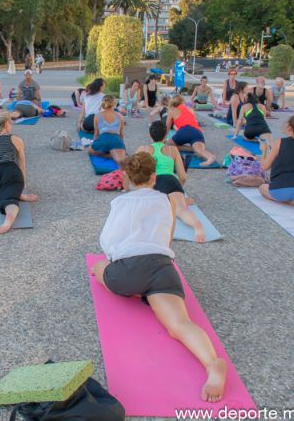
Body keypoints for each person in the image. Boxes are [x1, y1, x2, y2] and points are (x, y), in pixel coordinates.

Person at [92, 151, 227, 402]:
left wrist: (112, 261)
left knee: (99, 267)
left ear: (127, 178)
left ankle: (124, 283)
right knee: (179, 325)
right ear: (154, 177)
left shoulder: (120, 202)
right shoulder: (168, 201)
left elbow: (108, 241)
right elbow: (168, 237)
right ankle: (211, 363)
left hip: (128, 271)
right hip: (162, 267)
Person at [136, 121, 206, 242]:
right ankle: (196, 224)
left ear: (150, 135)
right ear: (166, 135)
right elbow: (183, 176)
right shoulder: (172, 150)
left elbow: (133, 170)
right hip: (170, 181)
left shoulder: (143, 148)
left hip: (152, 182)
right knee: (180, 209)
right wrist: (180, 192)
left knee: (150, 209)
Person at [167, 95, 216, 167]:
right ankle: (210, 157)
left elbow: (167, 127)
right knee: (200, 151)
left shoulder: (171, 111)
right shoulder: (190, 109)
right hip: (197, 131)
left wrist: (162, 141)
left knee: (169, 144)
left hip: (184, 131)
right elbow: (194, 121)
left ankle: (191, 149)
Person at [89, 95, 126, 165]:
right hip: (116, 140)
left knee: (90, 150)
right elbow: (121, 134)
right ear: (114, 104)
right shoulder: (120, 116)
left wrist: (94, 143)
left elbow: (96, 134)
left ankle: (107, 154)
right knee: (121, 159)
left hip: (103, 139)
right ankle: (114, 154)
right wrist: (122, 145)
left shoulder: (97, 115)